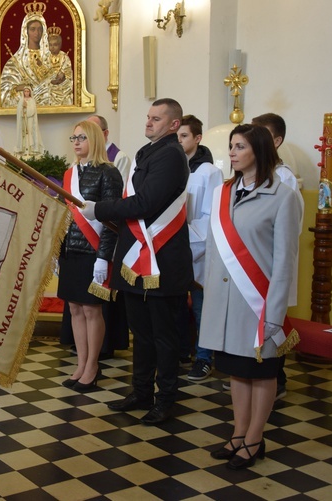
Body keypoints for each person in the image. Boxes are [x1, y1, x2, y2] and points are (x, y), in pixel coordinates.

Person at [81, 98, 193, 425]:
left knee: (164, 336)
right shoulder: (148, 152)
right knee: (141, 333)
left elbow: (145, 203)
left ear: (174, 124)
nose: (148, 122)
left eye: (156, 118)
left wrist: (99, 209)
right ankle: (141, 391)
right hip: (137, 258)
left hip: (162, 259)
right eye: (148, 116)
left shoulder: (171, 156)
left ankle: (166, 398)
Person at [200, 124, 301, 469]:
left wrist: (274, 312)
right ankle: (238, 433)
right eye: (231, 146)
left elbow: (285, 260)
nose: (231, 152)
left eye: (239, 146)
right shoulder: (224, 192)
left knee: (262, 372)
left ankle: (256, 438)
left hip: (258, 303)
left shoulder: (283, 196)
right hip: (226, 302)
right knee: (237, 372)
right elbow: (215, 251)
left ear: (258, 149)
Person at [59, 119, 122, 392]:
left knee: (91, 310)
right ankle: (81, 363)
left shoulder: (108, 173)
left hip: (93, 252)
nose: (76, 143)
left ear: (94, 139)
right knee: (74, 308)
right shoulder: (69, 173)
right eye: (73, 138)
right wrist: (57, 250)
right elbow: (64, 216)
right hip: (71, 251)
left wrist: (103, 257)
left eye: (82, 137)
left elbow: (111, 220)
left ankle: (93, 366)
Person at [250, 112, 304, 401]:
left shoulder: (283, 178)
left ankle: (276, 378)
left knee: (273, 321)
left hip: (270, 264)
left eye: (262, 134)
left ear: (277, 140)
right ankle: (251, 372)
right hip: (251, 263)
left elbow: (288, 226)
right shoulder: (253, 173)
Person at [177, 114, 224, 382]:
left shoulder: (209, 172)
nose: (179, 140)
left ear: (197, 138)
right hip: (173, 249)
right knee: (177, 307)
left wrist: (184, 240)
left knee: (201, 307)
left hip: (197, 249)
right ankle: (183, 350)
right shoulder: (171, 166)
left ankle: (204, 357)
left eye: (184, 136)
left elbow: (210, 217)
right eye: (177, 136)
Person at [0, 3, 50, 107]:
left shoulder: (51, 57)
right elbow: (5, 90)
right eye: (33, 29)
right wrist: (19, 88)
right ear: (25, 32)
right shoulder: (15, 61)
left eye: (40, 29)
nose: (37, 33)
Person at [87, 115, 131, 182]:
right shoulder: (83, 156)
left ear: (105, 133)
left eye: (94, 131)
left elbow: (122, 188)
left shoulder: (120, 158)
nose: (89, 135)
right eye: (87, 132)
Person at [46, 27, 73, 106]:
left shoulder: (64, 57)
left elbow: (68, 71)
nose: (53, 47)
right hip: (49, 85)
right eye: (50, 45)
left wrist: (63, 74)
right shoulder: (46, 57)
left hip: (62, 86)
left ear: (60, 45)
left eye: (55, 45)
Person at [14, 86, 43, 158]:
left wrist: (26, 107)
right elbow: (19, 111)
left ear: (30, 92)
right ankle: (23, 149)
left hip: (30, 119)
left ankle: (31, 149)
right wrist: (22, 109)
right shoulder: (21, 100)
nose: (26, 93)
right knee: (23, 133)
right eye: (25, 91)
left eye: (28, 91)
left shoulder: (32, 100)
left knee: (29, 132)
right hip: (23, 119)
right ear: (23, 92)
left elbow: (32, 111)